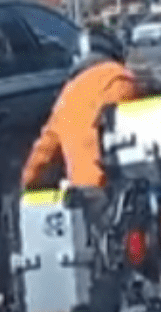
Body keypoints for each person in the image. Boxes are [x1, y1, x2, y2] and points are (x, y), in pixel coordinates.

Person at [20, 27, 142, 191]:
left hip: (85, 191)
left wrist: (27, 182)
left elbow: (44, 151)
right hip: (128, 186)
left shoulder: (67, 95)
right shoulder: (120, 78)